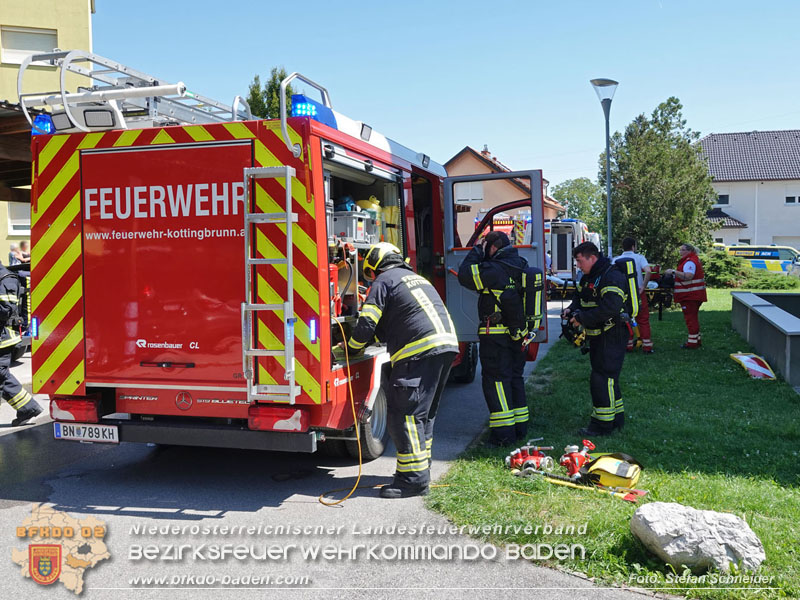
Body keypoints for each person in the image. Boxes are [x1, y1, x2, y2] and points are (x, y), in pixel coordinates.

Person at [345, 242, 458, 498]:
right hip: (445, 347)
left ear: (374, 266)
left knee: (405, 415)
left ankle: (412, 481)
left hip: (418, 352)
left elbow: (366, 325)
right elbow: (398, 320)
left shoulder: (383, 281)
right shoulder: (415, 279)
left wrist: (351, 349)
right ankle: (421, 470)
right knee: (423, 416)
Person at [458, 230, 529, 446]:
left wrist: (476, 251)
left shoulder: (493, 270)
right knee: (514, 379)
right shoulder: (521, 263)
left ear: (493, 247)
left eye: (487, 247)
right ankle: (520, 428)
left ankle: (503, 436)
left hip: (496, 335)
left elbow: (465, 275)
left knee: (496, 382)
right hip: (518, 334)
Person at [562, 242, 628, 436]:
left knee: (602, 379)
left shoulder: (611, 276)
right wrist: (572, 310)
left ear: (593, 258)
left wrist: (582, 318)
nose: (578, 266)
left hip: (612, 334)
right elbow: (580, 296)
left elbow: (611, 307)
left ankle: (602, 426)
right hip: (600, 336)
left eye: (580, 261)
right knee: (608, 379)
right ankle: (616, 419)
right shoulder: (590, 276)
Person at [0, 263, 42, 426]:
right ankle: (27, 407)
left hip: (4, 338)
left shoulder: (6, 279)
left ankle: (28, 407)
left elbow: (5, 310)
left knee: (1, 374)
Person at [665, 243, 707, 349]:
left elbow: (688, 276)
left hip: (690, 295)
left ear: (689, 251)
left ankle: (692, 344)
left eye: (682, 250)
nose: (680, 252)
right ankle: (696, 340)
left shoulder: (689, 262)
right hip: (693, 294)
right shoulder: (692, 260)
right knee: (693, 318)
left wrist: (674, 272)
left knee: (690, 319)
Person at [615, 237, 653, 353]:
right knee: (643, 319)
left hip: (622, 294)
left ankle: (628, 344)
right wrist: (644, 286)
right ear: (633, 246)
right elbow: (648, 271)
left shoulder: (616, 260)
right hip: (637, 292)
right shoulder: (639, 258)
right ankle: (647, 346)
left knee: (624, 319)